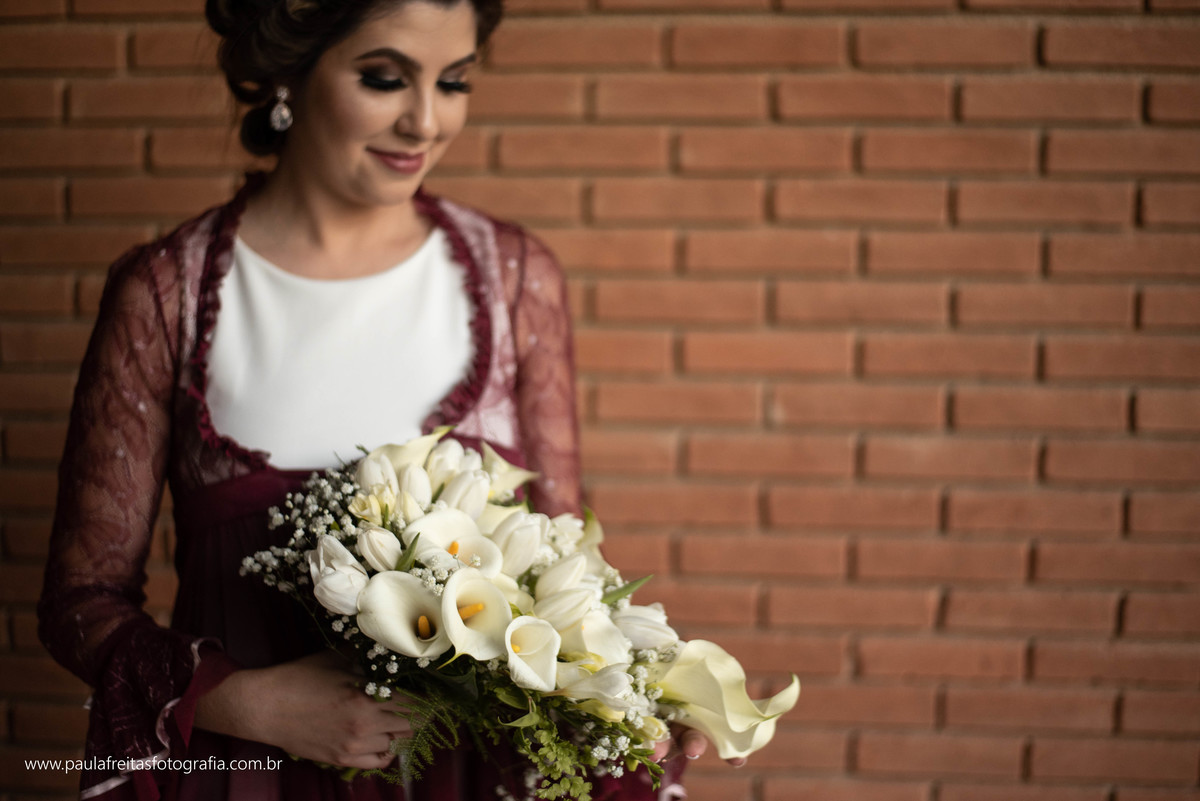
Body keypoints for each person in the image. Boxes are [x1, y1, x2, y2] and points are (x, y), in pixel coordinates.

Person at [37, 1, 737, 799]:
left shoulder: (514, 279)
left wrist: (638, 690)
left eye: (454, 81)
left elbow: (567, 564)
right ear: (287, 74)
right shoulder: (168, 294)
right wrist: (251, 702)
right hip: (251, 777)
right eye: (383, 79)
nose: (426, 122)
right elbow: (79, 601)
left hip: (482, 778)